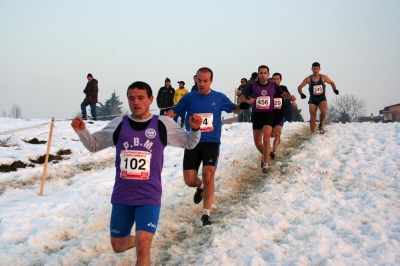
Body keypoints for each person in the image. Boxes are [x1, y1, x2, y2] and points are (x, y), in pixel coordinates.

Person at [71, 81, 202, 265]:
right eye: (131, 98)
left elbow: (189, 143)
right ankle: (139, 239)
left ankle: (143, 240)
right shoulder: (119, 123)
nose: (136, 102)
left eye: (141, 98)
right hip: (122, 196)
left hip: (149, 195)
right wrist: (82, 131)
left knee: (143, 247)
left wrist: (195, 129)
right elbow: (94, 145)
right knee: (118, 245)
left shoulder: (162, 123)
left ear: (150, 99)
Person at [166, 67, 249, 226]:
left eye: (205, 81)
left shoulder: (218, 97)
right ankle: (200, 186)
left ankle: (206, 214)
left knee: (208, 174)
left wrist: (243, 106)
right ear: (195, 79)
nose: (202, 84)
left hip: (211, 142)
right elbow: (174, 111)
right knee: (189, 180)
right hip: (192, 142)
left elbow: (235, 109)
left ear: (211, 81)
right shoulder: (189, 98)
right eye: (199, 80)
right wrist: (158, 123)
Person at [239, 65, 296, 173]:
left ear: (268, 74)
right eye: (261, 73)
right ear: (258, 74)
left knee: (266, 138)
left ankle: (265, 164)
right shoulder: (253, 86)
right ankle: (267, 154)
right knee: (257, 142)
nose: (263, 75)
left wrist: (290, 97)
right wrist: (248, 100)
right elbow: (241, 96)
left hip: (269, 114)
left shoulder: (273, 86)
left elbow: (283, 93)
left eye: (265, 73)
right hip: (257, 115)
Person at [298, 62, 338, 134]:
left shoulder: (323, 77)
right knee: (313, 116)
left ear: (319, 69)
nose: (315, 70)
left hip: (322, 98)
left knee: (323, 111)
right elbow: (299, 87)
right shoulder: (308, 79)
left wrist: (335, 89)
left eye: (317, 69)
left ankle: (321, 124)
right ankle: (312, 132)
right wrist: (301, 94)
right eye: (314, 69)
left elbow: (332, 82)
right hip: (313, 99)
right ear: (311, 69)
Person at [270, 73, 297, 159]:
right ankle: (277, 141)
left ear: (280, 80)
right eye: (273, 79)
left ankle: (273, 151)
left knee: (277, 133)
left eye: (277, 79)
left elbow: (289, 96)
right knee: (272, 135)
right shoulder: (268, 88)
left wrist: (293, 102)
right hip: (270, 115)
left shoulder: (283, 88)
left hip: (280, 114)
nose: (275, 80)